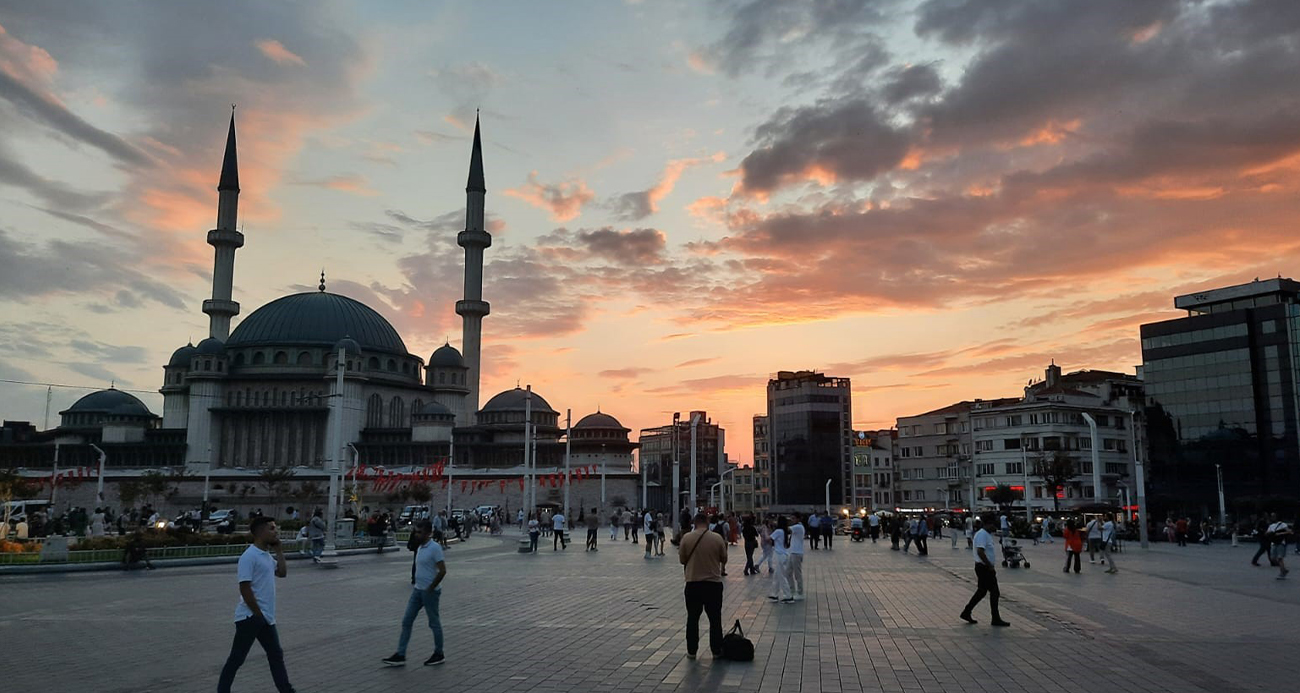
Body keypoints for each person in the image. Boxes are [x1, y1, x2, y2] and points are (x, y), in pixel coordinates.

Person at [217, 516, 295, 693]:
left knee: (276, 655)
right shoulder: (249, 556)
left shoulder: (266, 556)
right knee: (237, 658)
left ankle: (287, 690)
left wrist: (279, 551)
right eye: (272, 528)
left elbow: (282, 573)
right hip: (250, 617)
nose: (276, 532)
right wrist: (257, 614)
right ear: (261, 532)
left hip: (265, 618)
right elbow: (244, 588)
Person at [383, 519, 447, 666]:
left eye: (420, 532)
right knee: (407, 620)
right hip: (418, 590)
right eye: (416, 532)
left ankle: (439, 653)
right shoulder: (420, 547)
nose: (417, 534)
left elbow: (443, 570)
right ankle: (400, 654)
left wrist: (431, 587)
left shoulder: (435, 548)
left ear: (428, 533)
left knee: (434, 623)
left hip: (430, 592)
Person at [679, 512, 727, 659]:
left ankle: (692, 651)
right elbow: (723, 558)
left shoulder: (687, 538)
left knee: (692, 618)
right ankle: (716, 650)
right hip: (713, 584)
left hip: (693, 583)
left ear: (694, 522)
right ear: (707, 522)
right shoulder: (717, 538)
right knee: (715, 619)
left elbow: (682, 560)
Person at [959, 518, 1010, 627]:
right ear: (988, 524)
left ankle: (966, 612)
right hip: (984, 567)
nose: (995, 528)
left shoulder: (986, 534)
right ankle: (995, 618)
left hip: (984, 567)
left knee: (982, 591)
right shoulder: (982, 535)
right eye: (993, 525)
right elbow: (980, 551)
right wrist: (989, 565)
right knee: (994, 592)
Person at [768, 516, 793, 603]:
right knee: (777, 575)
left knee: (781, 576)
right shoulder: (784, 531)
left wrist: (768, 530)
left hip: (779, 555)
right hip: (784, 555)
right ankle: (774, 594)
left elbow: (769, 539)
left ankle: (788, 595)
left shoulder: (778, 531)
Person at [1267, 514, 1291, 579]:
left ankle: (1282, 572)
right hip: (1273, 543)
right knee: (1273, 558)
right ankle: (1283, 569)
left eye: (1274, 516)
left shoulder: (1283, 524)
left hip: (1281, 543)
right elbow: (1267, 533)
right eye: (1272, 516)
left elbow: (1289, 531)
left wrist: (1279, 533)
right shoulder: (1271, 525)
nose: (1273, 517)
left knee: (1280, 558)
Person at [788, 512, 806, 599]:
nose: (792, 520)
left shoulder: (798, 527)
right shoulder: (796, 527)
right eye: (791, 518)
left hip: (797, 553)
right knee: (788, 572)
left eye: (793, 518)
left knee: (797, 574)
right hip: (792, 552)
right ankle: (792, 591)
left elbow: (787, 529)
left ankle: (800, 592)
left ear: (798, 519)